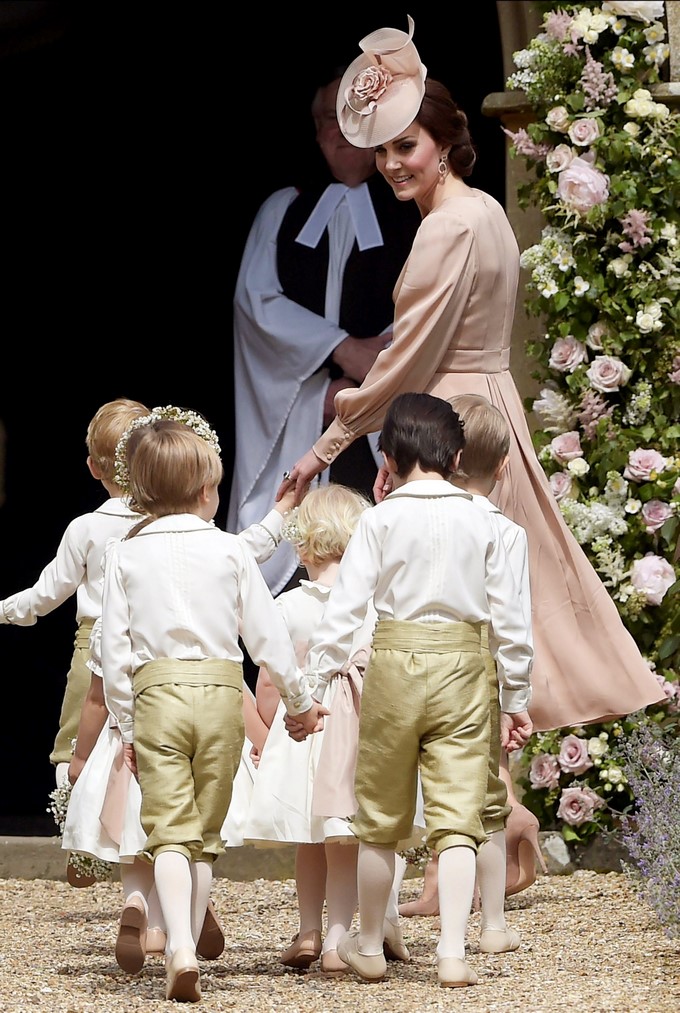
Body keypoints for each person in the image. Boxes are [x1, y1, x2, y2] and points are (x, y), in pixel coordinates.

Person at [279, 16, 665, 861]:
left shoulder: (450, 225)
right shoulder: (483, 211)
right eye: (382, 150)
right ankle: (502, 826)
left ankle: (487, 832)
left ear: (448, 140)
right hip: (478, 413)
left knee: (444, 625)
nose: (391, 164)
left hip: (450, 430)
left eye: (406, 145)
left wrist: (330, 442)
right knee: (483, 619)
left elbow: (409, 351)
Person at [286, 392, 533, 987]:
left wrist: (316, 685)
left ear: (388, 459)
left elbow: (344, 614)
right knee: (457, 816)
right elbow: (512, 624)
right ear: (455, 454)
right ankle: (452, 952)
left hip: (393, 664)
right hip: (465, 668)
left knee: (379, 815)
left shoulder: (379, 519)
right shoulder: (491, 524)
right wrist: (515, 699)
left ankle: (369, 942)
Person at [97, 410, 327, 1003]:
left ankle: (176, 947)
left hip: (157, 695)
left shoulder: (125, 556)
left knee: (168, 832)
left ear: (140, 490)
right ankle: (187, 940)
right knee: (204, 836)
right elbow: (268, 636)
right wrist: (298, 703)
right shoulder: (228, 552)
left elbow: (112, 650)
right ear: (207, 491)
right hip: (222, 694)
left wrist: (125, 722)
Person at [228, 63, 420, 598]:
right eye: (325, 121)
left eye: (349, 117)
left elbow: (429, 303)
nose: (336, 132)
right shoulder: (284, 209)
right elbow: (258, 304)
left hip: (383, 404)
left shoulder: (415, 213)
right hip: (303, 409)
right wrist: (337, 356)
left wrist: (373, 374)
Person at [394, 394, 543, 939]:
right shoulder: (502, 530)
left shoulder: (414, 516)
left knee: (424, 780)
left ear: (448, 456)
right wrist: (516, 697)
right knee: (481, 794)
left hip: (411, 661)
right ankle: (492, 920)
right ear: (503, 467)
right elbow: (514, 623)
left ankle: (436, 892)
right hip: (477, 668)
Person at [238, 484, 387, 975]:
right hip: (357, 735)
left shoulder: (287, 607)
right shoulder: (372, 607)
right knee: (344, 839)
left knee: (309, 841)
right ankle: (337, 942)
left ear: (301, 547)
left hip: (303, 732)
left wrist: (267, 738)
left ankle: (307, 930)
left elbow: (268, 688)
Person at [0, 398, 149, 792]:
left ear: (93, 467)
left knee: (74, 749)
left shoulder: (86, 528)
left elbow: (45, 595)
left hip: (94, 648)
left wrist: (2, 611)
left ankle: (78, 840)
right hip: (155, 647)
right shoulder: (167, 522)